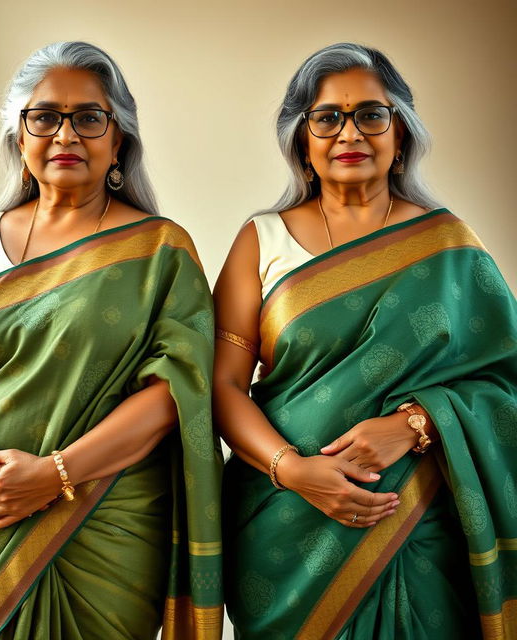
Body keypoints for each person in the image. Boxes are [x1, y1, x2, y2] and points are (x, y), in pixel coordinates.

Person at [0, 41, 223, 640]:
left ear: (119, 139)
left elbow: (175, 391)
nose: (66, 134)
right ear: (19, 138)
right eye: (44, 117)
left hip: (105, 519)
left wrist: (56, 472)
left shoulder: (159, 249)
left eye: (89, 118)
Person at [214, 42, 516, 639]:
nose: (349, 132)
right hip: (285, 530)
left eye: (371, 115)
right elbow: (221, 385)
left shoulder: (449, 243)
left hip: (424, 524)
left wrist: (415, 424)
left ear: (399, 134)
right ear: (302, 140)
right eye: (327, 118)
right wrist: (292, 470)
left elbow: (507, 380)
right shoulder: (261, 239)